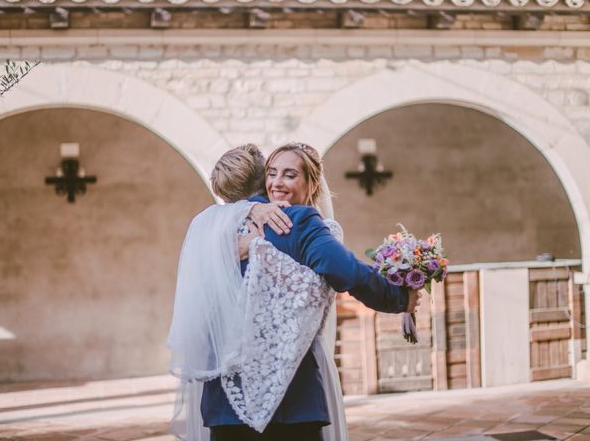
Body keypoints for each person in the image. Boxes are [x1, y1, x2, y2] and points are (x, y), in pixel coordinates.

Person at [168, 143, 422, 440]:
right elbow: (345, 270)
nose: (277, 182)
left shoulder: (206, 230)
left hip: (224, 400)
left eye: (288, 174)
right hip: (292, 399)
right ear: (263, 178)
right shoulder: (296, 220)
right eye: (273, 173)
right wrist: (400, 298)